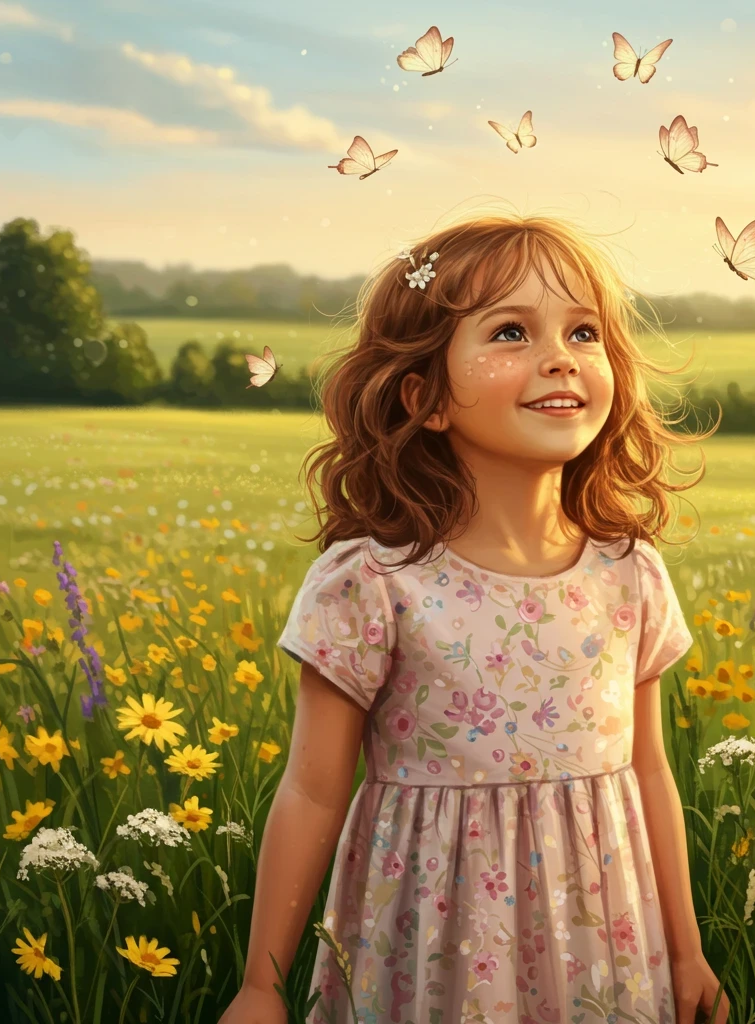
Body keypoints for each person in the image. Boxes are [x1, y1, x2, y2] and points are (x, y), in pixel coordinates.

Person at [219, 210, 728, 1024]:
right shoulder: (375, 584)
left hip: (606, 950)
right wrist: (261, 984)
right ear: (426, 398)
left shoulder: (629, 576)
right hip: (434, 950)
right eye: (512, 332)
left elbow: (650, 772)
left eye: (585, 331)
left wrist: (686, 949)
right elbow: (313, 793)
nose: (559, 356)